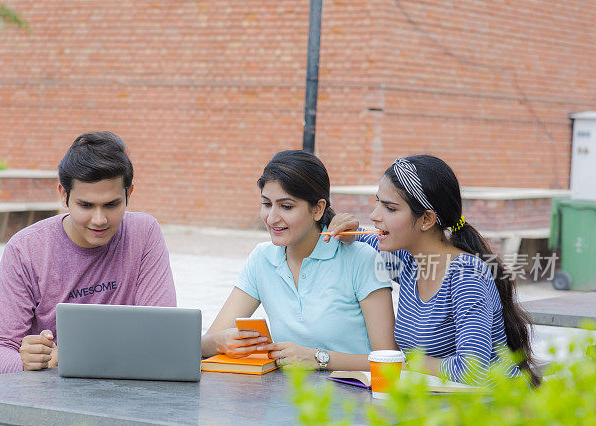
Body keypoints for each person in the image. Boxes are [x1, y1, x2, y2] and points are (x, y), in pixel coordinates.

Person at [0, 131, 176, 426]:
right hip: (38, 409)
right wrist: (29, 361)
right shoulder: (26, 249)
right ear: (63, 194)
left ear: (129, 195)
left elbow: (161, 334)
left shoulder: (145, 232)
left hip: (124, 400)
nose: (99, 219)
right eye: (85, 205)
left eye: (112, 205)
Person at [324, 155, 540, 386]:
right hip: (445, 406)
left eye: (390, 208)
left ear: (426, 219)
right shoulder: (409, 259)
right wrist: (348, 230)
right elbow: (364, 239)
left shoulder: (466, 274)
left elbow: (472, 370)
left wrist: (401, 361)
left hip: (494, 412)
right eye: (377, 202)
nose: (374, 215)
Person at [201, 150, 397, 370]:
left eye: (286, 206)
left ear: (318, 209)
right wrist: (220, 342)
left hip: (354, 399)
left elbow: (389, 362)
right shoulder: (262, 259)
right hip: (286, 397)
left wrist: (318, 358)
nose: (272, 218)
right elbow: (205, 344)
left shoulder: (361, 258)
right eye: (267, 204)